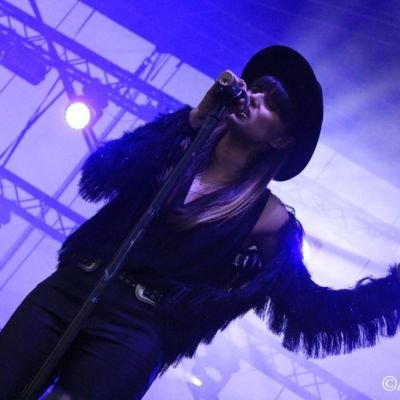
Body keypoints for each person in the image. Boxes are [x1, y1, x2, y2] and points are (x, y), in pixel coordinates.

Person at [0, 45, 399, 400]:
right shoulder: (176, 142)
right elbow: (98, 175)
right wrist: (195, 117)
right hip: (70, 288)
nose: (256, 98)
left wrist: (393, 290)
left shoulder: (267, 218)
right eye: (258, 88)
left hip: (136, 329)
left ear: (281, 139)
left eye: (273, 104)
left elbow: (309, 310)